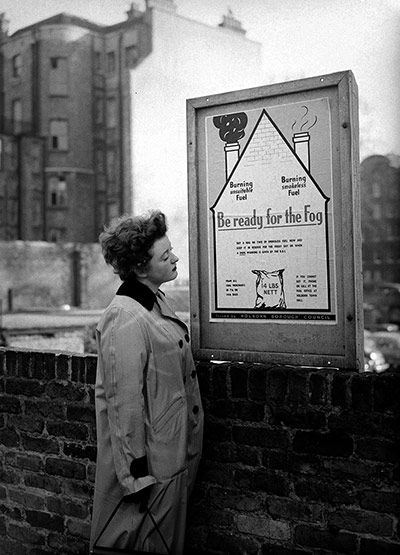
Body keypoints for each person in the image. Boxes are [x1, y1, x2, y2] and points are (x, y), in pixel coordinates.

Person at [90, 210, 204, 554]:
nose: (176, 257)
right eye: (165, 254)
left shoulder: (152, 302)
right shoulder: (124, 316)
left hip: (171, 460)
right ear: (141, 266)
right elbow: (124, 402)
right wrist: (135, 478)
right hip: (151, 473)